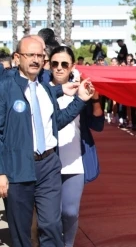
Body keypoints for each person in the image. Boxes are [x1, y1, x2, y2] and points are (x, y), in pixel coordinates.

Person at [0, 36, 94, 247]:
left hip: (49, 165)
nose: (35, 60)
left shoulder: (44, 89)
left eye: (40, 56)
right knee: (21, 231)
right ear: (17, 58)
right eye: (30, 55)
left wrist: (80, 100)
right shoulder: (5, 88)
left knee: (51, 224)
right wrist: (1, 172)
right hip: (18, 167)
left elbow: (57, 122)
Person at [49, 46, 105, 246]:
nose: (59, 68)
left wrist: (95, 98)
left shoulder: (81, 89)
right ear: (49, 65)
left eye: (64, 64)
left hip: (75, 162)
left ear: (72, 66)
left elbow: (97, 125)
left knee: (70, 212)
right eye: (55, 63)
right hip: (47, 163)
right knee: (51, 216)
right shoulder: (42, 91)